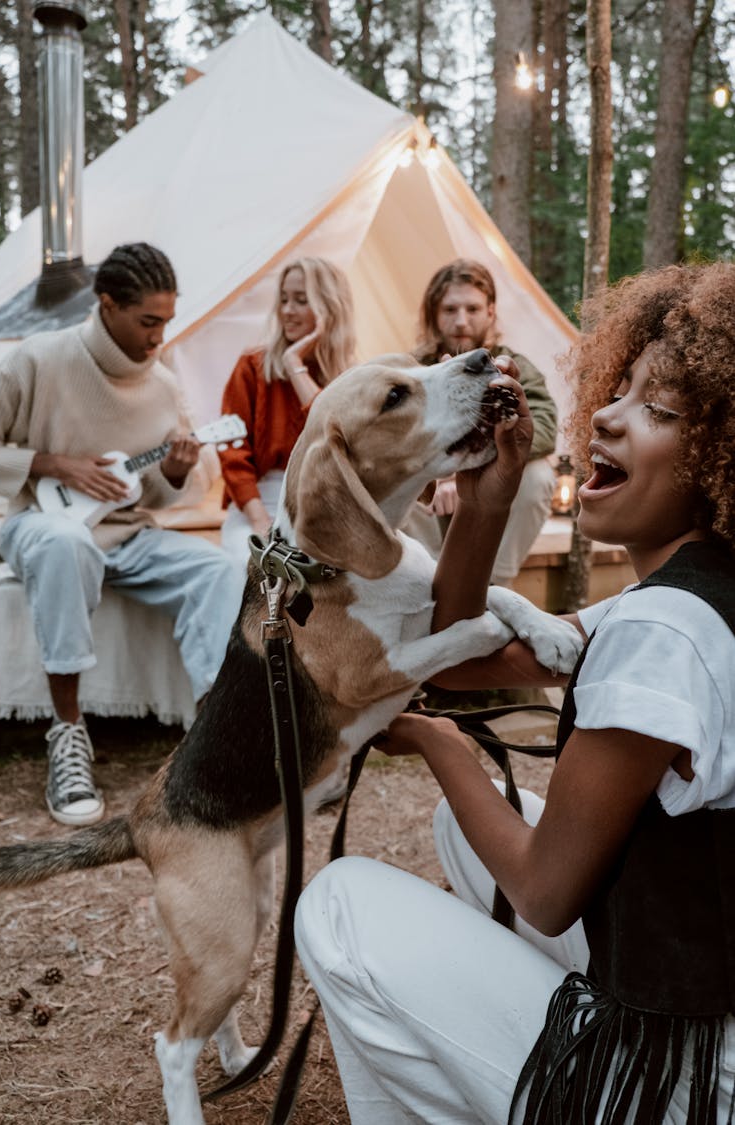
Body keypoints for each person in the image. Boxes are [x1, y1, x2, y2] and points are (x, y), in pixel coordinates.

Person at [295, 261, 735, 1123]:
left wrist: (438, 744)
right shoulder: (687, 596)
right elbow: (458, 662)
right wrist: (486, 502)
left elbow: (543, 890)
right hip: (696, 974)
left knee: (339, 902)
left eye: (659, 409)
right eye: (621, 391)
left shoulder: (662, 635)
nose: (604, 413)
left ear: (719, 455)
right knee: (458, 830)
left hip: (681, 1072)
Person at [0, 242, 241, 829]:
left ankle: (215, 741)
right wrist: (53, 464)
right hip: (40, 526)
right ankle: (68, 734)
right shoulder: (38, 359)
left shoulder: (164, 384)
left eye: (166, 323)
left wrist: (175, 470)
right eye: (148, 322)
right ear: (107, 304)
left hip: (127, 534)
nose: (158, 339)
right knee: (63, 542)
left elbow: (152, 493)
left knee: (221, 569)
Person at [407, 258, 558, 585]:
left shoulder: (515, 365)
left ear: (490, 312)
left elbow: (544, 429)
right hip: (434, 499)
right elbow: (399, 435)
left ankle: (492, 589)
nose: (461, 321)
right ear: (435, 314)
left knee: (539, 476)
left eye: (472, 309)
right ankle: (429, 586)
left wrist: (469, 462)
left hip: (493, 486)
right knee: (405, 477)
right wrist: (441, 474)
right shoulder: (415, 368)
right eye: (450, 309)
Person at [217, 256, 356, 606]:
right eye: (284, 299)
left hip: (321, 504)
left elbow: (334, 434)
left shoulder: (350, 378)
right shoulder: (251, 368)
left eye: (302, 299)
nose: (288, 310)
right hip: (258, 504)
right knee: (244, 568)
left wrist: (296, 365)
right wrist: (260, 522)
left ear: (329, 308)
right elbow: (232, 455)